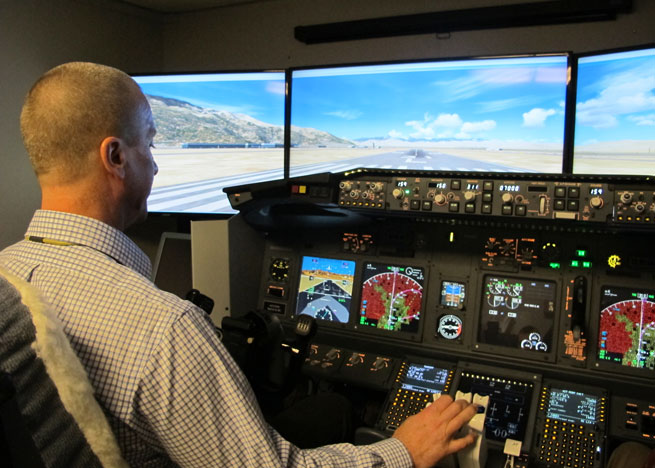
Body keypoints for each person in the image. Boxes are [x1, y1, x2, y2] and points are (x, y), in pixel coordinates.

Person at [0, 62, 478, 467]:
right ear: (116, 156)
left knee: (327, 408)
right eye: (150, 143)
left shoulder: (7, 274)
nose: (157, 164)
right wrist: (403, 451)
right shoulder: (162, 328)